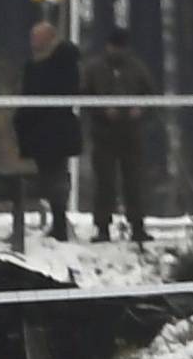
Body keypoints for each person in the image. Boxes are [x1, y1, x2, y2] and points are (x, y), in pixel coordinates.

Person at [82, 24, 155, 246]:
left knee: (134, 181)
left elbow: (152, 96)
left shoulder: (137, 68)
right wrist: (102, 110)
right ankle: (103, 226)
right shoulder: (94, 68)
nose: (118, 51)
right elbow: (84, 96)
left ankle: (137, 225)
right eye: (115, 47)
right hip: (103, 133)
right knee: (105, 182)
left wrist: (140, 109)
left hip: (131, 134)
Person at [14, 20, 83, 240]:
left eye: (37, 37)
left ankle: (60, 223)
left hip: (54, 129)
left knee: (54, 176)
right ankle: (57, 221)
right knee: (50, 175)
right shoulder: (35, 64)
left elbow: (55, 92)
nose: (32, 41)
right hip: (40, 129)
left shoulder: (62, 63)